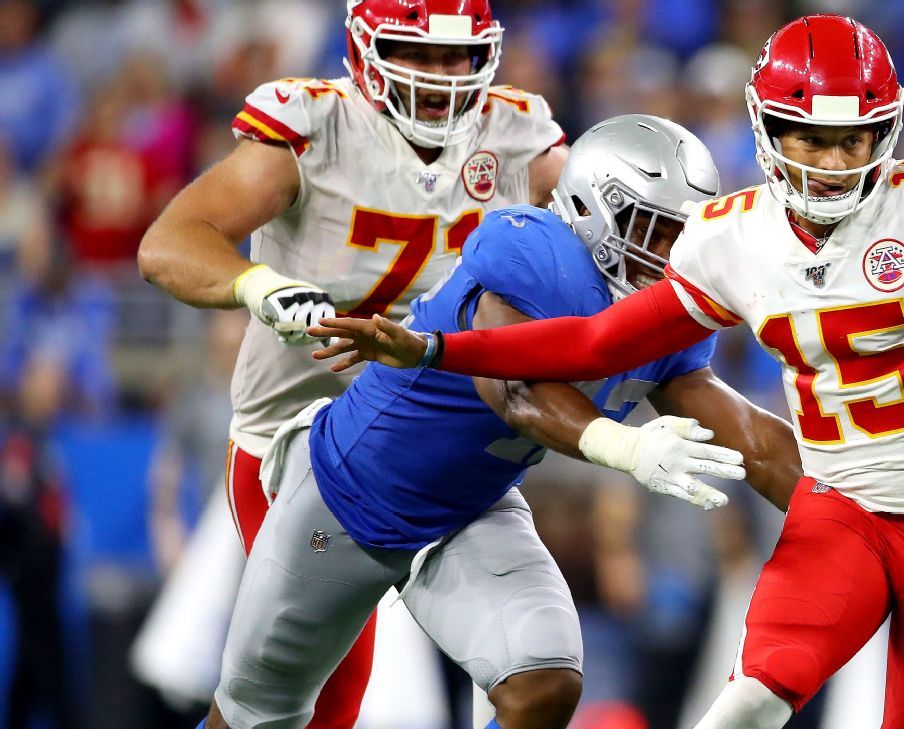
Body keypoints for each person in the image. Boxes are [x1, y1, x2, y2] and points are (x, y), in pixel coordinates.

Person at [315, 15, 904, 728]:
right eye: (809, 137)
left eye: (855, 138)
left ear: (886, 132)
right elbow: (594, 345)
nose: (834, 161)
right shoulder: (734, 237)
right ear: (768, 130)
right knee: (753, 697)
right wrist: (434, 348)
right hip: (845, 508)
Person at [206, 114, 801, 729]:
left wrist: (856, 511)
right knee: (256, 715)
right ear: (592, 209)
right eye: (652, 230)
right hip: (348, 493)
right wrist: (623, 446)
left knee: (543, 685)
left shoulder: (667, 321)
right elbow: (513, 387)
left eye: (681, 235)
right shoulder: (534, 250)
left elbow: (753, 440)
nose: (667, 254)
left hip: (470, 511)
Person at [136, 0, 568, 725]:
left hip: (445, 443)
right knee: (316, 699)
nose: (440, 77)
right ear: (365, 49)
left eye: (456, 57)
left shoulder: (520, 135)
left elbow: (604, 260)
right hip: (300, 441)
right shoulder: (313, 129)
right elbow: (168, 243)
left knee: (540, 681)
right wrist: (257, 282)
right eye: (418, 54)